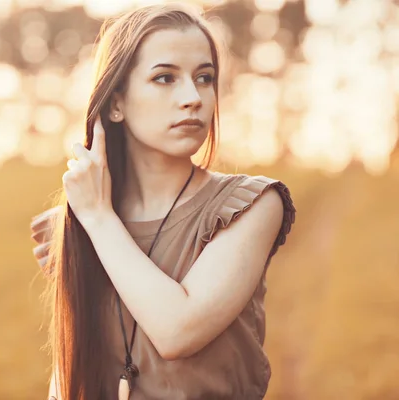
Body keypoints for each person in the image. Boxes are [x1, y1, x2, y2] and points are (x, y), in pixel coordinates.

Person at [29, 3, 296, 399]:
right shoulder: (79, 223)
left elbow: (178, 330)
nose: (193, 97)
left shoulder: (252, 205)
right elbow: (69, 372)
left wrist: (99, 218)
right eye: (165, 78)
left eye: (204, 78)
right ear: (116, 102)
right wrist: (88, 220)